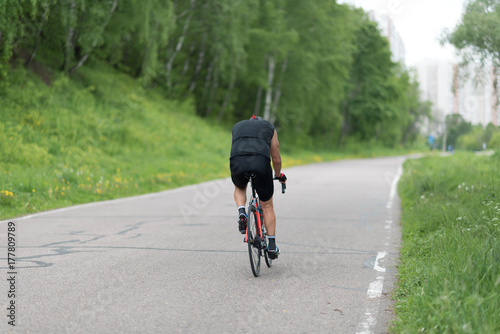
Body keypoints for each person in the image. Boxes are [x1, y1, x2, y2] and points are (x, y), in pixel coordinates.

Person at [229, 115, 286, 259]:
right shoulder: (269, 128)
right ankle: (272, 246)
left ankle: (242, 212)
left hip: (237, 160)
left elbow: (233, 147)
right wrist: (278, 175)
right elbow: (276, 158)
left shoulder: (237, 126)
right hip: (260, 162)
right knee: (267, 205)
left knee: (240, 188)